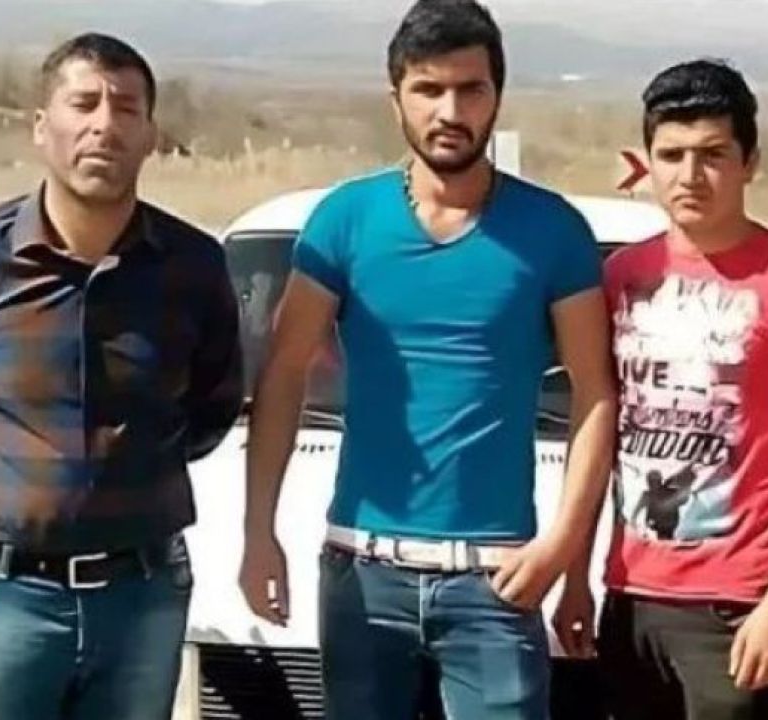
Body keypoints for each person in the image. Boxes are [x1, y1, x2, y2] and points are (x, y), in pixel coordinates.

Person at [236, 1, 616, 718]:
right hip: (360, 572)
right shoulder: (344, 220)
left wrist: (564, 547)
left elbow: (596, 393)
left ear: (496, 96)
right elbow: (283, 375)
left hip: (497, 582)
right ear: (397, 99)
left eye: (470, 89)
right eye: (428, 89)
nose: (450, 110)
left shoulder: (554, 231)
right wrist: (260, 534)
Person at [0, 32, 244, 720]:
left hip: (141, 599)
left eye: (126, 108)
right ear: (40, 127)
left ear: (151, 136)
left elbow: (213, 405)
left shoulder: (194, 267)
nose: (104, 125)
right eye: (83, 103)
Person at [555, 59, 768, 720]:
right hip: (629, 599)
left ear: (750, 162)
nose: (690, 175)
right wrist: (577, 576)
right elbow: (598, 429)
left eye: (713, 154)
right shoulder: (620, 275)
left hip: (738, 607)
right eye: (671, 155)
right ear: (646, 163)